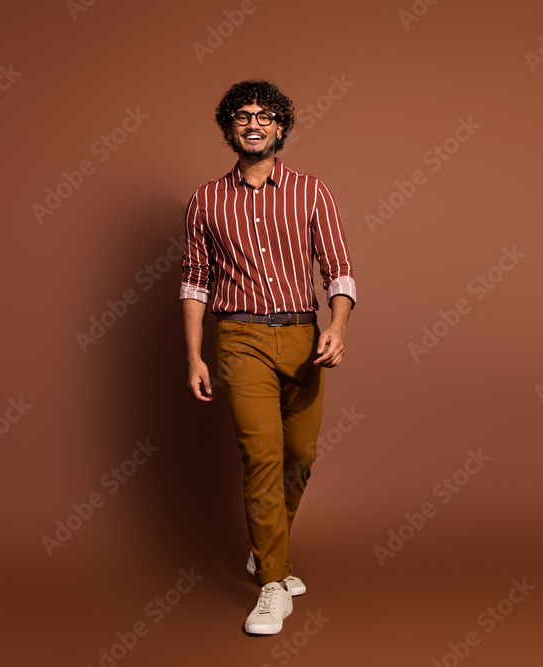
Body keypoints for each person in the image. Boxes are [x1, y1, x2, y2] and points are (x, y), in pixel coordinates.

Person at [179, 80, 356, 635]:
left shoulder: (311, 191)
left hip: (303, 338)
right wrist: (193, 356)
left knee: (300, 456)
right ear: (228, 128)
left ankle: (265, 545)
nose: (252, 123)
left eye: (264, 115)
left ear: (281, 127)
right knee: (261, 456)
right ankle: (272, 584)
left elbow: (340, 267)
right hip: (240, 339)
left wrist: (338, 325)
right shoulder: (206, 199)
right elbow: (193, 284)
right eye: (241, 116)